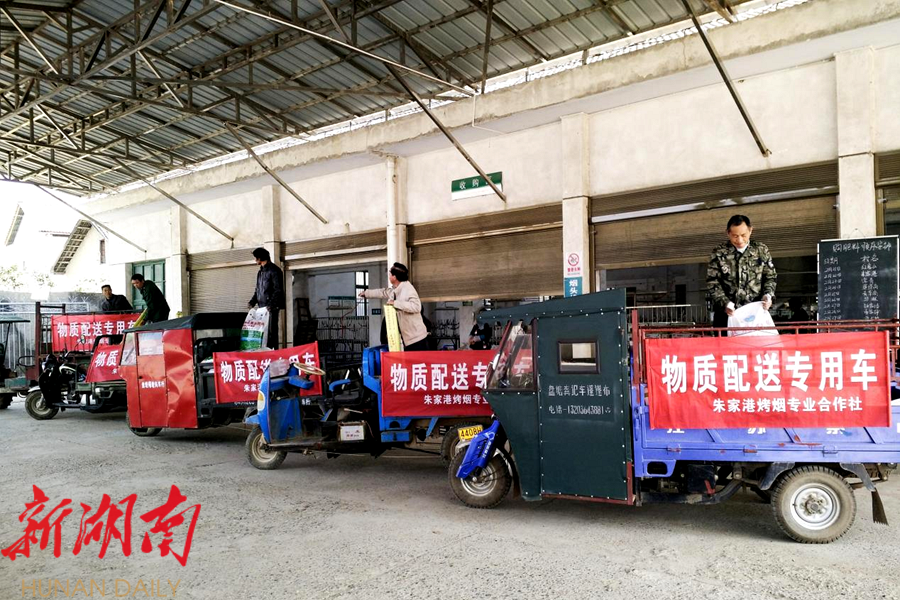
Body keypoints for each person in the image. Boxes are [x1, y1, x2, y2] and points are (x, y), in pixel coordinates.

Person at [706, 214, 777, 328]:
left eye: (743, 235)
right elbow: (712, 281)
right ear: (728, 233)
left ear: (750, 230)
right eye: (735, 236)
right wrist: (724, 302)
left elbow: (770, 277)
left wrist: (768, 295)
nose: (739, 240)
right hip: (727, 314)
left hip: (755, 313)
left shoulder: (761, 250)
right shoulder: (719, 252)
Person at [360, 262, 428, 351]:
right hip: (409, 339)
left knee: (417, 360)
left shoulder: (408, 289)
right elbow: (383, 292)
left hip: (417, 339)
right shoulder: (396, 289)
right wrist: (366, 293)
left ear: (394, 277)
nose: (388, 276)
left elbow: (416, 306)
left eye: (390, 274)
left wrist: (395, 303)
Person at [248, 247, 285, 349]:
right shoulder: (260, 272)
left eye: (256, 258)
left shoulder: (275, 270)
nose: (255, 260)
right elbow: (258, 290)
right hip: (261, 308)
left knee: (271, 333)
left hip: (271, 308)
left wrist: (271, 305)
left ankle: (273, 353)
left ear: (260, 258)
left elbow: (278, 290)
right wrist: (252, 302)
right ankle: (264, 353)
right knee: (262, 333)